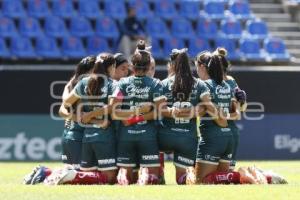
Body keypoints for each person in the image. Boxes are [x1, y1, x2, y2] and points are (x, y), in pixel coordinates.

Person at [23, 56, 96, 185]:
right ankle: (46, 172)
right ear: (91, 70)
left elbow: (63, 107)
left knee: (71, 172)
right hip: (79, 135)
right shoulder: (87, 85)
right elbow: (66, 108)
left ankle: (46, 172)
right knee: (78, 174)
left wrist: (72, 116)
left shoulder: (70, 84)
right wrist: (82, 117)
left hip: (69, 133)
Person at [60, 53, 118, 185]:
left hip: (87, 135)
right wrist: (90, 117)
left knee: (88, 175)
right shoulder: (112, 84)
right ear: (112, 67)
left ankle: (69, 175)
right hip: (102, 135)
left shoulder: (82, 82)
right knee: (109, 178)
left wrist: (83, 117)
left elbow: (65, 105)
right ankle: (53, 173)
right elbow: (111, 107)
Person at [113, 46, 166, 185]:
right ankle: (145, 175)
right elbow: (162, 110)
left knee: (125, 174)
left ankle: (124, 178)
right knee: (153, 178)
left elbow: (114, 111)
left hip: (126, 135)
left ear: (131, 65)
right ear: (149, 66)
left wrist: (131, 118)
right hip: (147, 136)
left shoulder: (122, 83)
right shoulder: (155, 83)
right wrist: (140, 112)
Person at [194, 52, 241, 184]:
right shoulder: (226, 86)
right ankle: (232, 176)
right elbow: (236, 112)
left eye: (196, 66)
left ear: (203, 67)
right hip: (228, 137)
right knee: (220, 183)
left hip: (211, 137)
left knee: (200, 182)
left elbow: (201, 109)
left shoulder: (203, 85)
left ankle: (235, 176)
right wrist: (223, 116)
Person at [213, 47, 247, 170]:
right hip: (213, 129)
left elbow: (241, 109)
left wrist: (243, 100)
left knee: (226, 174)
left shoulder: (231, 81)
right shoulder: (209, 82)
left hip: (228, 129)